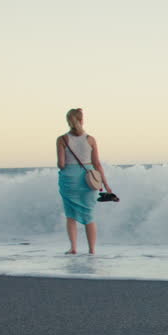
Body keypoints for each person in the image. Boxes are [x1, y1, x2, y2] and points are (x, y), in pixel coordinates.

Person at [55, 108, 114, 254]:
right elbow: (97, 164)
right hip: (88, 179)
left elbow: (61, 164)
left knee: (71, 215)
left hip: (69, 179)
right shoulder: (91, 139)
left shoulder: (62, 139)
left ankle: (73, 248)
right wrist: (106, 184)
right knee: (89, 215)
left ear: (68, 121)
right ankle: (92, 250)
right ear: (82, 120)